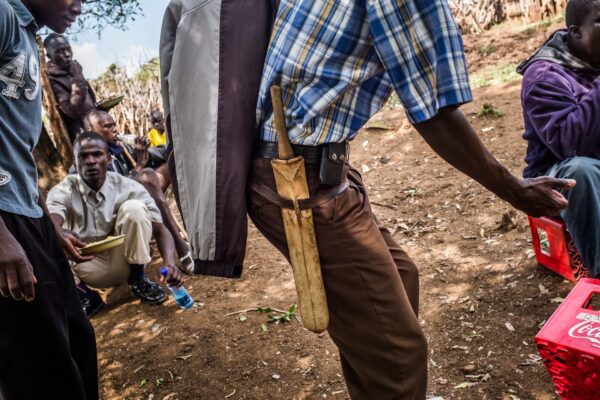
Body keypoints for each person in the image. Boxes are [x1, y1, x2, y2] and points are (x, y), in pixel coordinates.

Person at [162, 1, 575, 399]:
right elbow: (432, 110)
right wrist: (514, 191)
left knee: (400, 280)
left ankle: (387, 384)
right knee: (399, 352)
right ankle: (393, 385)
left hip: (315, 170)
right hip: (296, 181)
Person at [0, 0, 98, 399]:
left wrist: (46, 221)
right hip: (6, 222)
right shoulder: (3, 14)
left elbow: (14, 148)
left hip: (27, 214)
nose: (80, 4)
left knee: (75, 341)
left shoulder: (26, 35)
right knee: (37, 369)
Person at [46, 132, 185, 315]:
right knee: (48, 234)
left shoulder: (127, 186)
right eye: (83, 156)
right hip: (86, 266)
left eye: (97, 154)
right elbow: (53, 219)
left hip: (126, 261)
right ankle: (86, 296)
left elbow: (160, 229)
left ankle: (138, 280)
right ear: (75, 162)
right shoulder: (64, 190)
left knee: (134, 208)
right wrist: (59, 232)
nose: (91, 161)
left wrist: (170, 263)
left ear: (109, 158)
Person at [518, 0, 600, 278]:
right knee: (580, 170)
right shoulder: (543, 76)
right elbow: (571, 145)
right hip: (560, 182)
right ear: (575, 31)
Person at [84, 109, 194, 274]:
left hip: (139, 202)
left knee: (170, 162)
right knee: (147, 177)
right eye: (108, 126)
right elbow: (112, 197)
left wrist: (148, 151)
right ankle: (182, 249)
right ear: (92, 131)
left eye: (114, 124)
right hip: (117, 220)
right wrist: (139, 166)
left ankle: (192, 231)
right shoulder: (89, 159)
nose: (115, 129)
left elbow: (161, 153)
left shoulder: (118, 148)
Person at [43, 33, 98, 142]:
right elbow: (72, 111)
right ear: (49, 56)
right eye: (59, 51)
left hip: (96, 128)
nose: (67, 54)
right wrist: (77, 77)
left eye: (68, 49)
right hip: (84, 137)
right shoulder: (51, 79)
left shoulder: (73, 68)